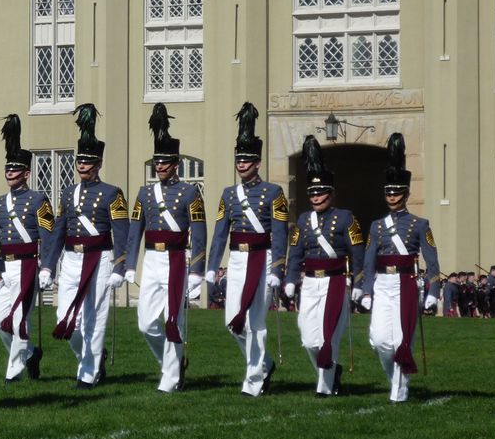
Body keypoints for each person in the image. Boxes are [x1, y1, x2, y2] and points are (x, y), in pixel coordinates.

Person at [40, 104, 129, 389]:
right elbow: (57, 232)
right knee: (65, 317)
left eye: (88, 162)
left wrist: (120, 266)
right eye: (80, 161)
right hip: (71, 259)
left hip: (100, 258)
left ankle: (89, 372)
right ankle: (92, 356)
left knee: (95, 317)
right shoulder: (68, 193)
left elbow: (122, 233)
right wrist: (48, 265)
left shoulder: (112, 193)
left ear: (98, 164)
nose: (82, 166)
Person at [205, 102, 289, 397]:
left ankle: (254, 380)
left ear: (258, 163)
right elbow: (219, 234)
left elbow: (279, 234)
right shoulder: (229, 194)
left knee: (254, 322)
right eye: (239, 159)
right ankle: (264, 362)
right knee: (233, 323)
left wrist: (278, 269)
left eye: (248, 160)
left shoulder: (274, 193)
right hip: (238, 259)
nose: (242, 164)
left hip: (262, 259)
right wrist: (212, 266)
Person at [124, 104, 207, 393]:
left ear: (176, 164)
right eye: (157, 161)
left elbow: (199, 231)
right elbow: (135, 229)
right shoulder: (144, 193)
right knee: (146, 324)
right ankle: (172, 361)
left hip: (177, 260)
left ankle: (170, 379)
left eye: (165, 161)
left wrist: (197, 270)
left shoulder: (189, 192)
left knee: (174, 319)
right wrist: (129, 264)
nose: (159, 166)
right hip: (152, 260)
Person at [360, 133, 440, 403]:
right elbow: (369, 260)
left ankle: (399, 389)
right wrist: (366, 290)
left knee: (401, 340)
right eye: (388, 192)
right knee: (379, 340)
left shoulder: (420, 224)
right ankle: (394, 378)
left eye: (396, 192)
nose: (392, 196)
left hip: (407, 284)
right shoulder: (377, 226)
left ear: (406, 193)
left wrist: (433, 290)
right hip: (382, 284)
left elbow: (432, 259)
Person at [284, 135, 364, 397]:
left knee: (328, 336)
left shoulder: (345, 218)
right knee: (308, 337)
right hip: (310, 282)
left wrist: (359, 283)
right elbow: (295, 252)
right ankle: (332, 370)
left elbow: (358, 251)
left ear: (331, 193)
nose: (316, 197)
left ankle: (326, 387)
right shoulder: (304, 220)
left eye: (321, 192)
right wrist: (290, 279)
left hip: (335, 280)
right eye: (312, 193)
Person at [0, 114, 48, 383]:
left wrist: (46, 266)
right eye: (7, 168)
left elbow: (48, 233)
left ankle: (14, 369)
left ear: (26, 173)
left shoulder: (38, 199)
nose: (9, 172)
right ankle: (31, 354)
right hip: (5, 267)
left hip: (27, 263)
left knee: (18, 319)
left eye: (15, 169)